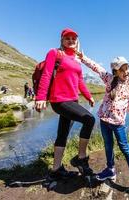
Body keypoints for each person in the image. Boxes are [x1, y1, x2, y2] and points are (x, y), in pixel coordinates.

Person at [78, 53, 129, 188]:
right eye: (122, 70)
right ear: (115, 72)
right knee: (108, 145)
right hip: (105, 121)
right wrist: (83, 58)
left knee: (125, 147)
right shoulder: (109, 79)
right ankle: (110, 169)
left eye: (127, 68)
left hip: (118, 124)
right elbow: (96, 67)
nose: (126, 72)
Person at [35, 28, 96, 181]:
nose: (71, 40)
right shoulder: (55, 53)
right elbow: (47, 74)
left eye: (73, 38)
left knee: (62, 134)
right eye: (67, 38)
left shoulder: (76, 60)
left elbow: (80, 81)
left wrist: (89, 97)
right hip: (59, 101)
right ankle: (80, 158)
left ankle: (56, 169)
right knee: (89, 119)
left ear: (77, 41)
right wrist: (40, 97)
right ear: (62, 40)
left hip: (72, 100)